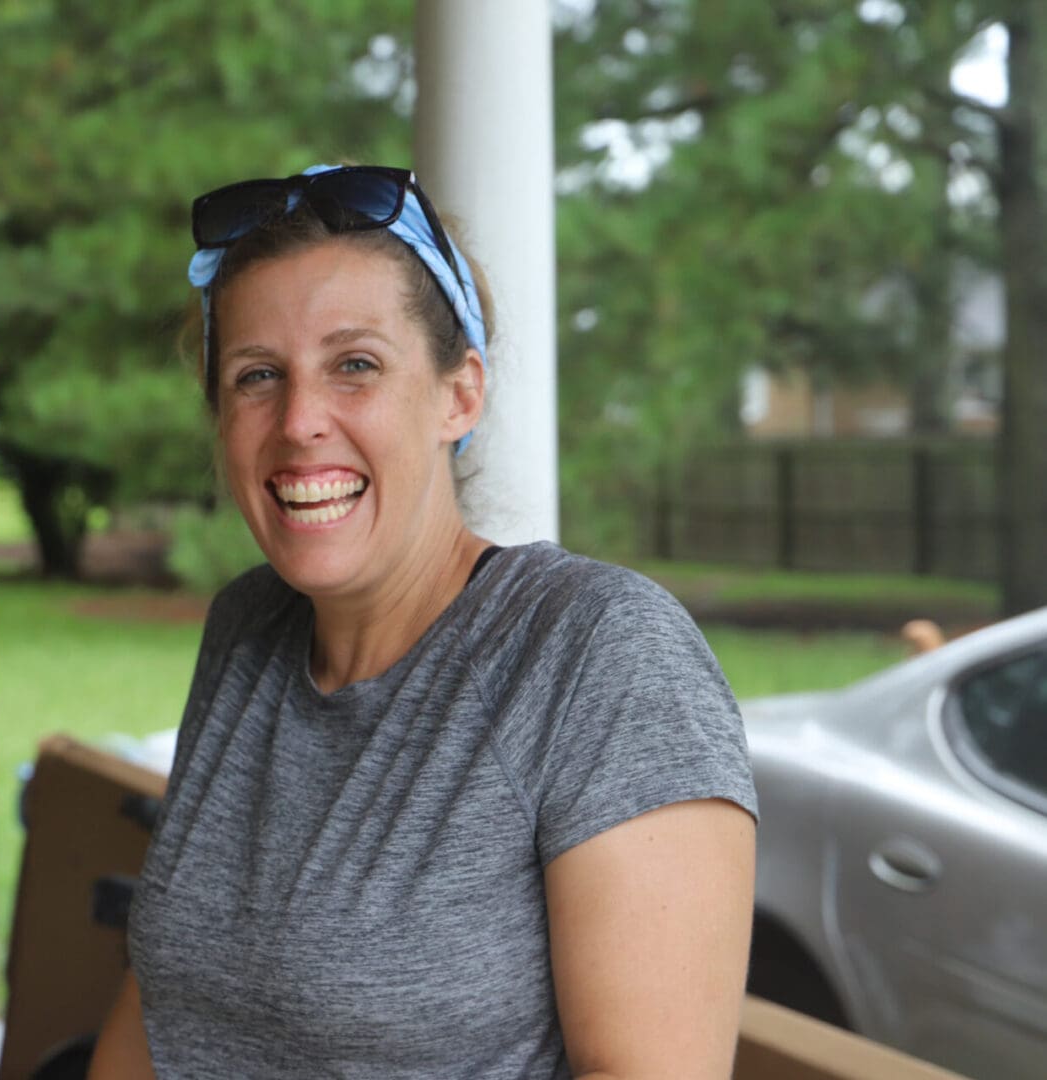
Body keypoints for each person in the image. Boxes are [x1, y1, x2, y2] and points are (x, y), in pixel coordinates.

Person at [88, 164, 758, 1079]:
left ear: (460, 394)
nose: (299, 422)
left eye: (354, 365)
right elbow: (163, 999)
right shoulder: (248, 628)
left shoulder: (596, 651)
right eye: (256, 377)